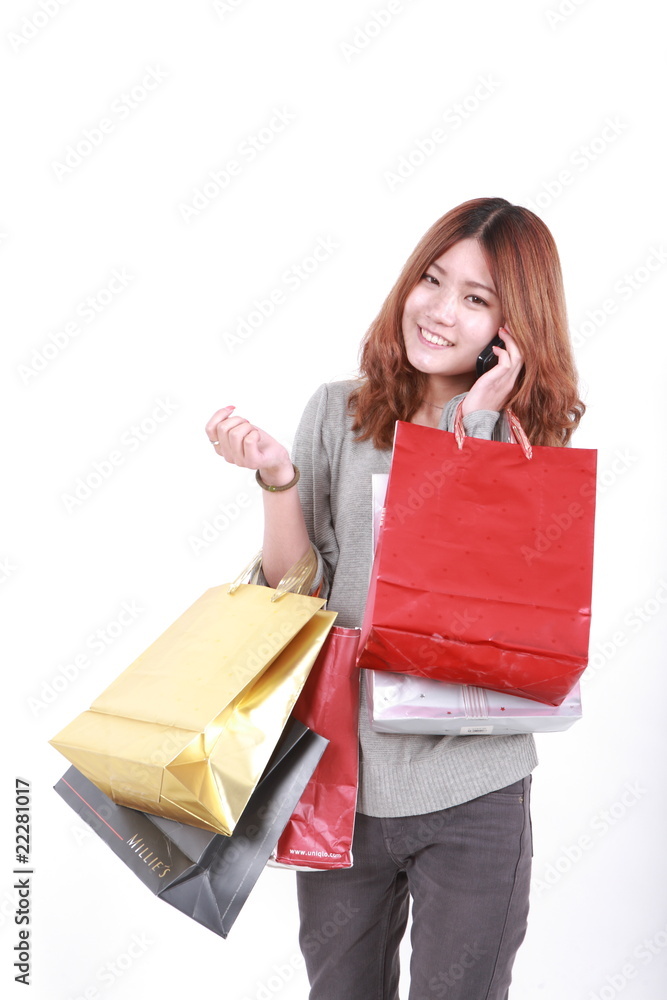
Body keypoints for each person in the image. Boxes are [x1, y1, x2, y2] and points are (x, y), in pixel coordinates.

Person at [205, 197, 585, 1000]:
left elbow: (466, 594)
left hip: (474, 788)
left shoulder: (524, 445)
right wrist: (278, 481)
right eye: (432, 279)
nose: (440, 311)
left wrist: (471, 425)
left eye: (476, 299)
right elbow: (293, 595)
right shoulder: (339, 413)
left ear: (512, 329)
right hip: (342, 782)